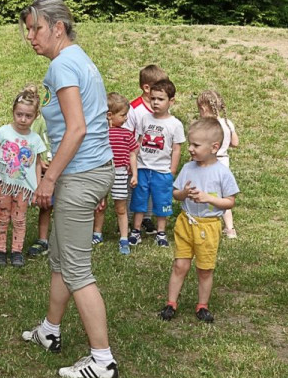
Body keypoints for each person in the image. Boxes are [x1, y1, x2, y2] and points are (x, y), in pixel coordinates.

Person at [17, 0, 118, 378]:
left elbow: (77, 128)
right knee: (60, 256)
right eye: (28, 29)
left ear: (57, 28)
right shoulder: (77, 58)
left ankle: (102, 360)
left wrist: (49, 177)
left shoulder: (62, 65)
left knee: (77, 270)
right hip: (91, 170)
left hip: (80, 175)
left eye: (36, 28)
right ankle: (50, 329)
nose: (30, 36)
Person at [159, 117, 239, 323]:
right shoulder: (188, 168)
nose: (191, 149)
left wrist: (208, 198)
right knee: (180, 265)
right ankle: (171, 303)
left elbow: (230, 202)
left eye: (196, 145)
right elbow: (175, 194)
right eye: (190, 144)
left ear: (214, 147)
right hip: (186, 222)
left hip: (209, 226)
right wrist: (184, 193)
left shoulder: (222, 172)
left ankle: (202, 305)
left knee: (205, 268)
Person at [0, 85, 46, 268]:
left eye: (28, 116)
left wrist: (37, 186)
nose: (23, 119)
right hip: (4, 184)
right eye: (19, 114)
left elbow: (37, 163)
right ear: (13, 111)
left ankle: (17, 251)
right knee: (3, 216)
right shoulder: (3, 132)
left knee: (19, 219)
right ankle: (0, 250)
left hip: (23, 188)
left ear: (35, 117)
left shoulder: (35, 139)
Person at [130, 78, 185, 248]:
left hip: (162, 171)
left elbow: (176, 149)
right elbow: (138, 142)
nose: (155, 102)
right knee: (139, 201)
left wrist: (172, 170)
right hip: (143, 167)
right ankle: (136, 231)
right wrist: (133, 163)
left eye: (160, 99)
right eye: (153, 98)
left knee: (162, 202)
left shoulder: (175, 124)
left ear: (171, 101)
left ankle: (161, 232)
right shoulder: (145, 118)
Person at [91, 93, 138, 253]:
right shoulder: (100, 133)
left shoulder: (126, 134)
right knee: (99, 206)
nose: (126, 119)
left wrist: (135, 174)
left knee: (121, 207)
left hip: (120, 173)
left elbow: (133, 153)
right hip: (103, 172)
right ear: (109, 115)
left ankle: (124, 237)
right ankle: (97, 233)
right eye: (123, 115)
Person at [197, 89, 240, 239]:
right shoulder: (228, 123)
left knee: (206, 193)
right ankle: (230, 229)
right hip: (224, 162)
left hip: (209, 163)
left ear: (203, 108)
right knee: (224, 197)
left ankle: (205, 222)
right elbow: (235, 142)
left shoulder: (206, 126)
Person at [25, 113, 54, 259]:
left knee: (67, 206)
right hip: (45, 167)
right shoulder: (41, 119)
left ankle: (64, 240)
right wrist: (39, 161)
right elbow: (32, 141)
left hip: (67, 169)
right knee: (46, 206)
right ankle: (43, 239)